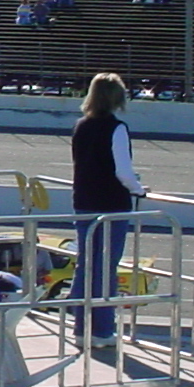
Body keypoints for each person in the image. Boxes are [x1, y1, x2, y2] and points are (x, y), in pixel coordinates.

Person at [68, 73, 146, 348]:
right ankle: (101, 331)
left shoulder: (81, 125)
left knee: (86, 265)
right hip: (111, 203)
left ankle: (80, 327)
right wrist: (138, 189)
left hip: (84, 201)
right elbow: (122, 171)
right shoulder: (117, 128)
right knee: (105, 269)